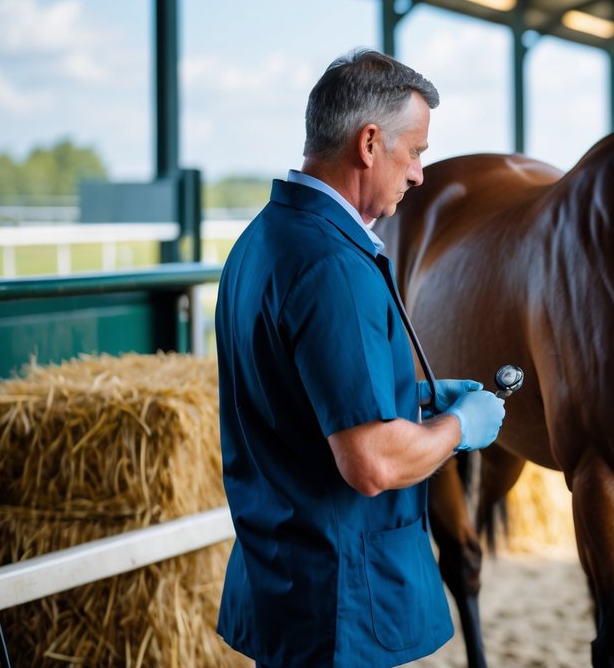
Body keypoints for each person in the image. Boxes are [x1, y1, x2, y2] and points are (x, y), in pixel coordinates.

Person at [214, 49, 507, 667]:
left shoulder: (261, 240)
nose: (420, 173)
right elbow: (371, 462)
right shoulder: (333, 265)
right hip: (339, 600)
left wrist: (417, 396)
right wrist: (460, 427)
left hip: (283, 579)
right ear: (370, 143)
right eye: (417, 151)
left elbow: (294, 392)